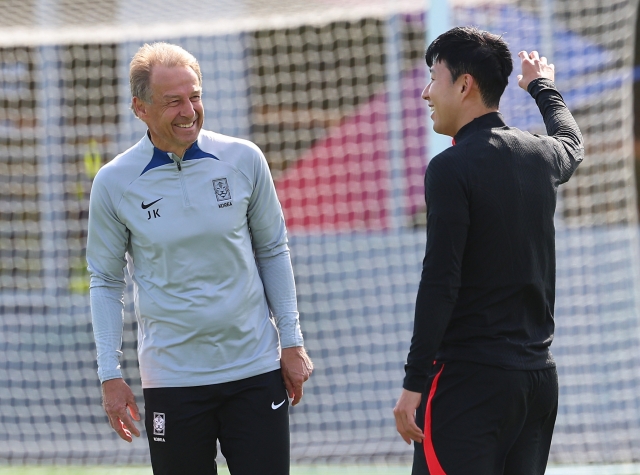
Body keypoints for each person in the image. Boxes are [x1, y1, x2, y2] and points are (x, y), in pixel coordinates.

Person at [86, 42, 313, 475]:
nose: (189, 110)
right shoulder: (114, 182)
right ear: (141, 108)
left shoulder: (244, 159)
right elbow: (105, 281)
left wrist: (292, 340)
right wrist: (108, 372)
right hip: (172, 379)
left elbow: (273, 250)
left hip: (254, 369)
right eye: (173, 101)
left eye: (195, 96)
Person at [393, 27, 583, 475]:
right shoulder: (541, 155)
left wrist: (413, 383)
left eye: (433, 78)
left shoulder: (450, 168)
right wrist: (543, 87)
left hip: (469, 386)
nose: (425, 92)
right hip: (536, 384)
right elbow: (572, 143)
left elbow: (441, 280)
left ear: (464, 84)